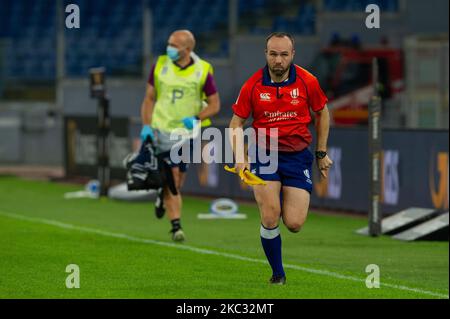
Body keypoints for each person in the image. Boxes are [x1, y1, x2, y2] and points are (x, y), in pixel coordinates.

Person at [228, 32, 333, 284]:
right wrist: (240, 158)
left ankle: (281, 202)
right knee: (270, 214)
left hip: (297, 156)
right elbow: (235, 123)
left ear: (292, 55)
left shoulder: (308, 81)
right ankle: (278, 274)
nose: (278, 60)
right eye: (273, 54)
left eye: (284, 54)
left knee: (295, 223)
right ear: (266, 54)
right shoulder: (252, 85)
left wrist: (321, 153)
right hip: (264, 155)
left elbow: (323, 114)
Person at [140, 30, 220, 242]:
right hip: (162, 129)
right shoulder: (160, 65)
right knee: (173, 177)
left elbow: (215, 105)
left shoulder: (203, 71)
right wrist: (147, 126)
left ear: (188, 49)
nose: (170, 48)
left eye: (175, 45)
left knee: (178, 180)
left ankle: (162, 195)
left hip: (186, 134)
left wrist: (196, 117)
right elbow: (149, 98)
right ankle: (176, 226)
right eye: (169, 44)